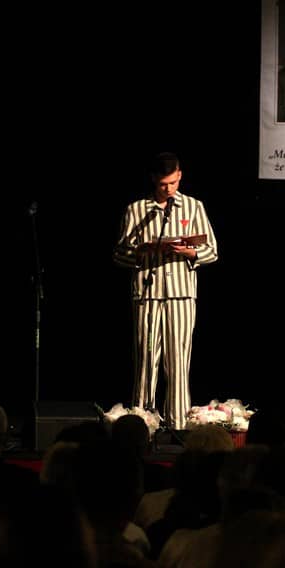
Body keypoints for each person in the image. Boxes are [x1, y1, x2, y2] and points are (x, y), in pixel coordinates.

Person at [112, 152, 218, 430]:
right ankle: (140, 425)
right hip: (148, 294)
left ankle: (178, 425)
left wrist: (190, 252)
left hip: (181, 293)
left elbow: (212, 251)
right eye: (163, 184)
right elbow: (119, 254)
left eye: (173, 182)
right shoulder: (137, 210)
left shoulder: (193, 207)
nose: (168, 189)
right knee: (146, 361)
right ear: (153, 179)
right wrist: (141, 252)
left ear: (180, 176)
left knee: (179, 361)